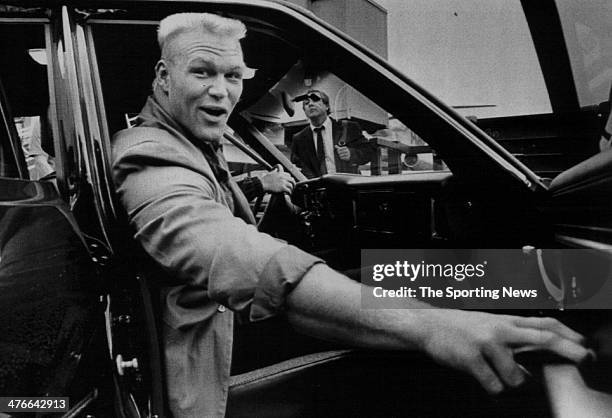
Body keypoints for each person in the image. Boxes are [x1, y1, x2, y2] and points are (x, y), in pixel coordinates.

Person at [111, 13, 590, 418]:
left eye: (233, 76)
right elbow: (228, 250)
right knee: (435, 321)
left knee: (416, 277)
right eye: (202, 72)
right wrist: (431, 326)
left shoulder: (192, 143)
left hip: (235, 325)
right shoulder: (149, 153)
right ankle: (583, 304)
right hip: (214, 362)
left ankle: (587, 281)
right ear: (162, 76)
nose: (221, 92)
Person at [290, 89, 374, 178]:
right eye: (306, 103)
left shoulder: (349, 128)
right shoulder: (299, 139)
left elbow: (369, 152)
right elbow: (297, 167)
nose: (310, 104)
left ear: (327, 106)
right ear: (305, 111)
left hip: (347, 187)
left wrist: (351, 154)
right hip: (319, 189)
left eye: (315, 100)